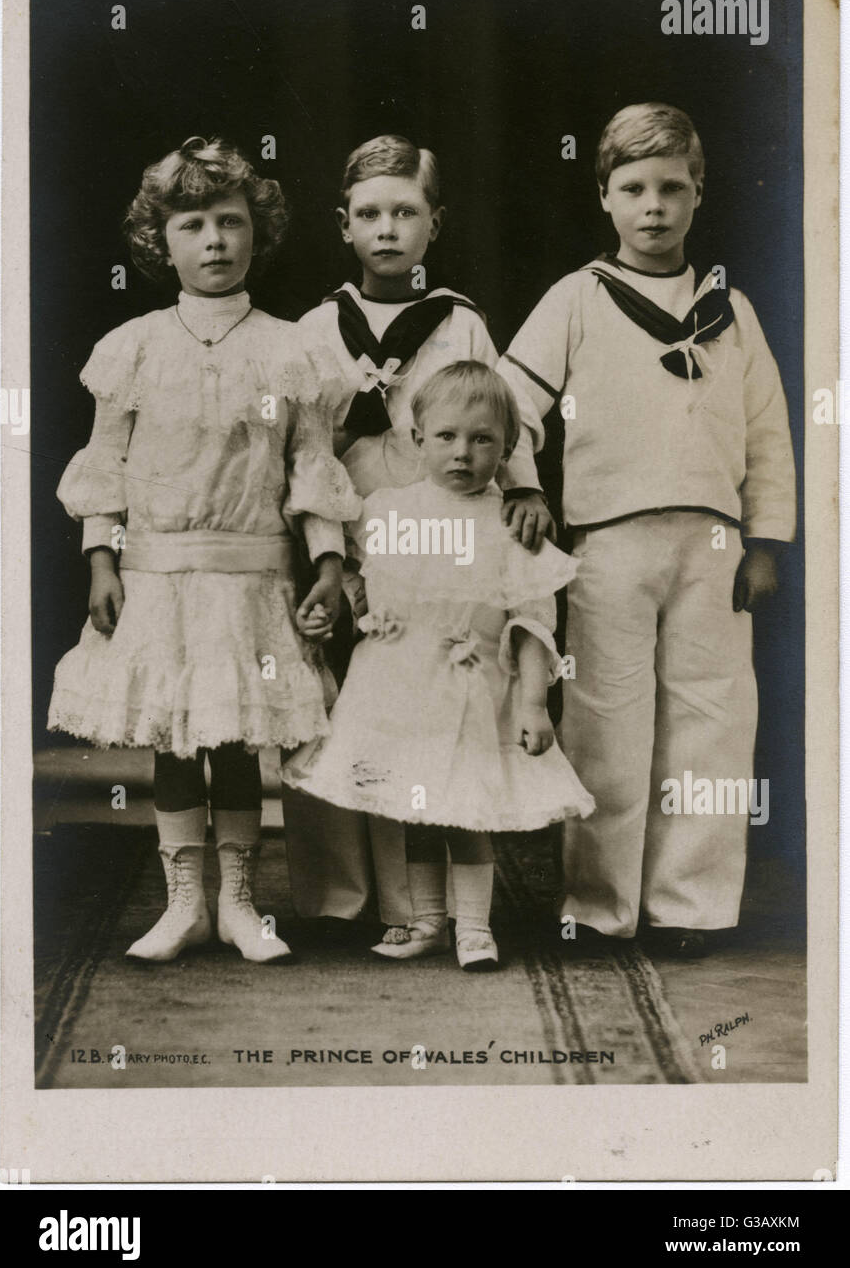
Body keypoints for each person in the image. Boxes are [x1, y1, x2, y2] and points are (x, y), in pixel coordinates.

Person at [48, 136, 361, 964]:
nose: (215, 241)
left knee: (235, 743)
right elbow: (104, 465)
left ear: (257, 232)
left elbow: (310, 467)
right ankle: (184, 903)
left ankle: (241, 905)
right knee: (173, 740)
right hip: (158, 573)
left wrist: (328, 563)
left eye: (231, 222)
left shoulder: (293, 348)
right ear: (163, 241)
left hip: (251, 571)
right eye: (193, 224)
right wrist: (102, 559)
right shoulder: (136, 346)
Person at [499, 103, 796, 957]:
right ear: (604, 197)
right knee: (605, 721)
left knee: (711, 719)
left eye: (672, 188)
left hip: (711, 546)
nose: (653, 206)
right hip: (606, 543)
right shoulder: (576, 299)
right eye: (632, 188)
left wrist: (767, 540)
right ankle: (597, 906)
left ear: (698, 195)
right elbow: (511, 407)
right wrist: (525, 486)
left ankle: (690, 907)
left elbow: (768, 432)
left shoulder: (729, 310)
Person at [282, 135, 550, 938]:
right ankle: (337, 898)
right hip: (350, 536)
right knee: (338, 707)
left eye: (405, 212)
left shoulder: (459, 321)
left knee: (421, 711)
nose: (387, 229)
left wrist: (526, 485)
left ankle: (416, 910)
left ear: (434, 225)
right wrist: (327, 558)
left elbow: (498, 416)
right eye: (369, 214)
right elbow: (306, 454)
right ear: (344, 226)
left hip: (442, 540)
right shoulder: (315, 329)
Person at [284, 362, 594, 970]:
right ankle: (425, 918)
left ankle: (473, 925)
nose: (463, 453)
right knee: (414, 805)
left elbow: (531, 621)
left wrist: (533, 702)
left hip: (471, 684)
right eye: (447, 436)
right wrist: (357, 609)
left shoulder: (507, 525)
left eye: (483, 440)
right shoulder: (385, 510)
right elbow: (357, 572)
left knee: (464, 806)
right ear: (417, 438)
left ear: (506, 449)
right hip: (397, 683)